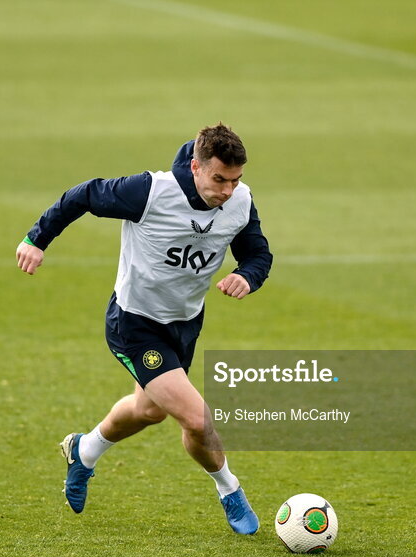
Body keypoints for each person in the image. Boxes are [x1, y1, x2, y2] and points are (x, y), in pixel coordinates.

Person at [15, 123, 272, 534]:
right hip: (134, 324)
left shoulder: (239, 201)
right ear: (196, 167)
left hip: (185, 324)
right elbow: (83, 195)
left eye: (235, 180)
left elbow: (257, 252)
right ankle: (230, 490)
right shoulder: (151, 192)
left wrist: (248, 276)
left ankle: (84, 450)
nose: (226, 190)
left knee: (149, 410)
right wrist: (36, 238)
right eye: (219, 179)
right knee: (196, 418)